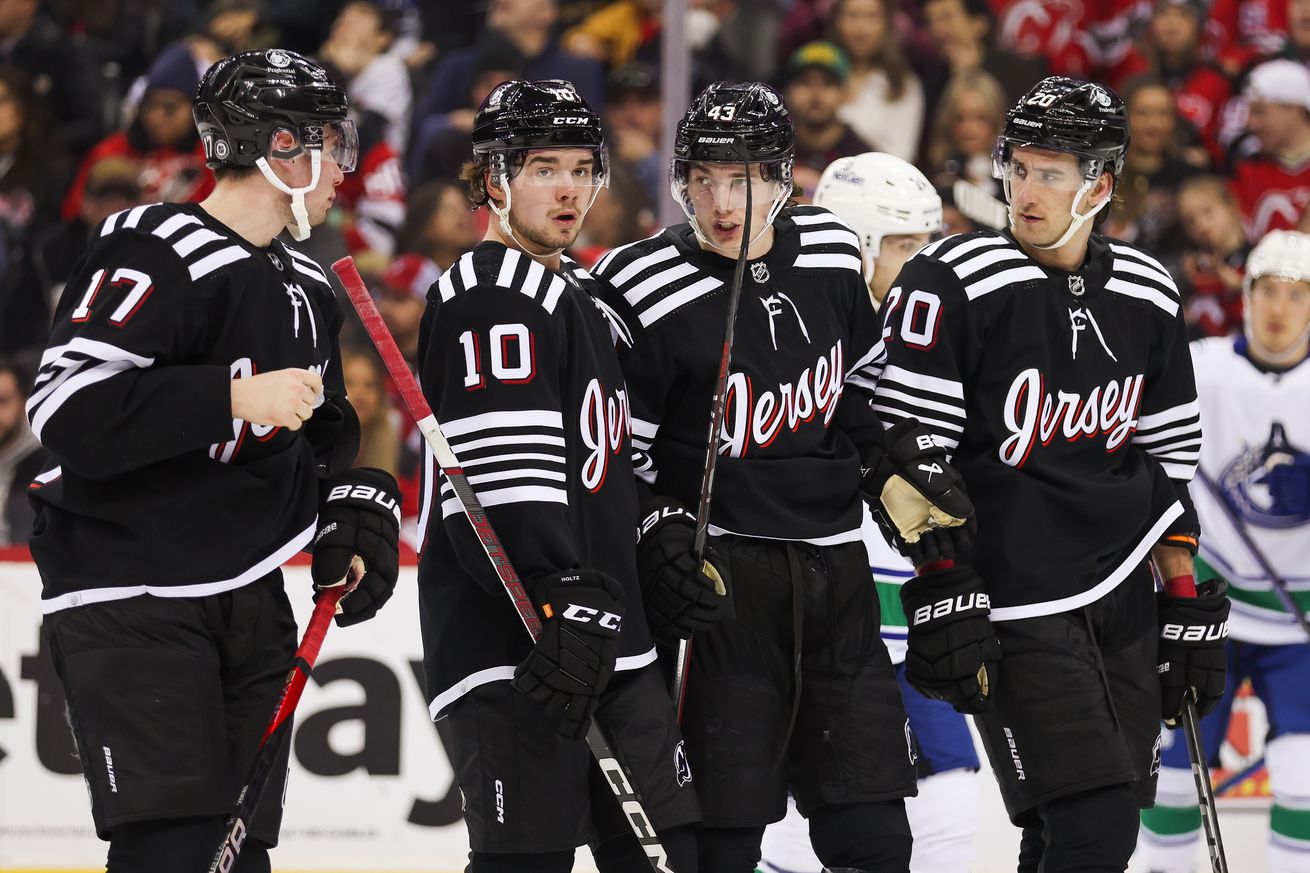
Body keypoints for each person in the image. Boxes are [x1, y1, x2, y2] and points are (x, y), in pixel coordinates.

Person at [25, 49, 402, 873]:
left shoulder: (309, 285)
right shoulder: (153, 242)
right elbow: (65, 412)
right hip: (134, 591)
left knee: (242, 852)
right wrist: (228, 398)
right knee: (175, 848)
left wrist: (356, 503)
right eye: (329, 143)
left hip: (246, 589)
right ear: (277, 147)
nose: (344, 167)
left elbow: (323, 438)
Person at [594, 81, 973, 873]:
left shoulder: (835, 249)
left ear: (783, 177)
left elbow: (860, 404)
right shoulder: (638, 285)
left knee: (873, 839)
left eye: (747, 178)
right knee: (724, 843)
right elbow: (619, 461)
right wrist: (658, 532)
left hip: (838, 578)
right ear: (680, 180)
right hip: (722, 584)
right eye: (704, 178)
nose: (724, 202)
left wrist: (916, 509)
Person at [869, 76, 1230, 873]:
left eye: (1051, 173)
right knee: (1097, 829)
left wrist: (1183, 601)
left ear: (1099, 183)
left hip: (1126, 596)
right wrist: (941, 579)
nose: (1025, 191)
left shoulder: (1147, 289)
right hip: (1018, 600)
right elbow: (903, 454)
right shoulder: (953, 280)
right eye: (1018, 167)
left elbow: (1167, 466)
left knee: (1074, 837)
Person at [413, 78, 704, 873]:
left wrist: (654, 529)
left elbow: (607, 464)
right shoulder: (491, 292)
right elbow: (502, 476)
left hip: (608, 632)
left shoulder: (578, 291)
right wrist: (559, 589)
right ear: (494, 179)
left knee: (670, 853)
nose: (571, 187)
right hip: (522, 641)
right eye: (545, 166)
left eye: (583, 166)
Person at [757, 153, 982, 873]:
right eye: (910, 246)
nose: (928, 263)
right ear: (858, 248)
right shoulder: (791, 341)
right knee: (794, 832)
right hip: (814, 636)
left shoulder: (937, 343)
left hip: (915, 635)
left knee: (950, 815)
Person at [1137, 229, 1310, 873]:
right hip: (1206, 605)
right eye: (1268, 289)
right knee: (1176, 774)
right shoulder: (1199, 367)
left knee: (1304, 770)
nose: (1280, 308)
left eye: (1298, 294)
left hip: (1300, 619)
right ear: (1246, 295)